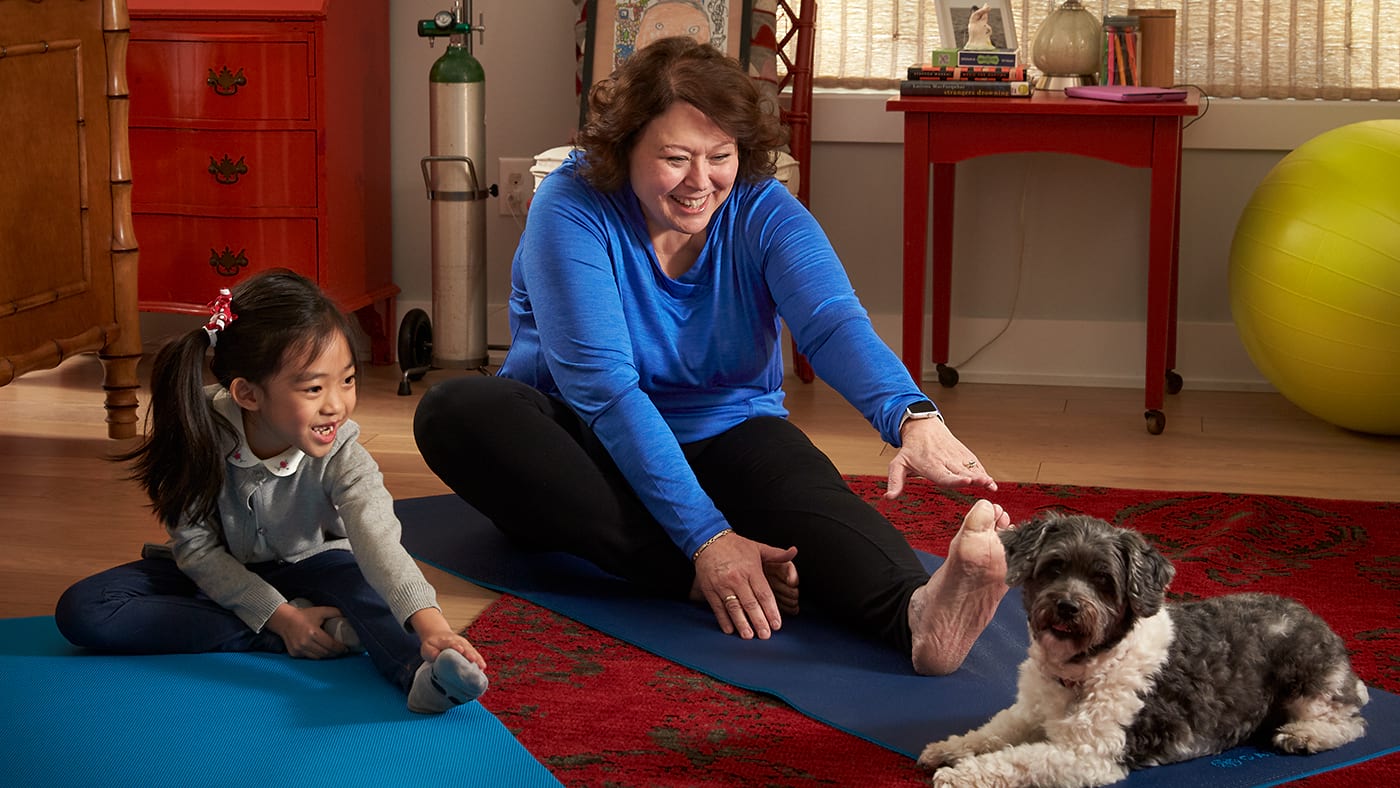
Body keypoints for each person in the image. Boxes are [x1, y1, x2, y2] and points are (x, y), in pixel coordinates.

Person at [413, 37, 1010, 676]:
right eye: (674, 158)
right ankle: (692, 571)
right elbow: (606, 391)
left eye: (719, 156)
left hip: (726, 433)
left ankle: (918, 617)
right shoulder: (571, 206)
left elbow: (832, 323)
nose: (701, 182)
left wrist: (911, 416)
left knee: (809, 498)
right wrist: (708, 542)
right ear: (623, 151)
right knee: (456, 410)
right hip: (585, 451)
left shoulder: (762, 207)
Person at [55, 270, 488, 714]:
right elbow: (198, 551)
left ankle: (419, 673)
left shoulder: (344, 455)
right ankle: (305, 632)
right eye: (314, 388)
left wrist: (432, 626)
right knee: (86, 609)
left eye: (348, 380)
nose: (336, 404)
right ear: (247, 394)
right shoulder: (197, 429)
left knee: (368, 590)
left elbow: (378, 542)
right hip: (220, 572)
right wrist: (281, 619)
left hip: (317, 566)